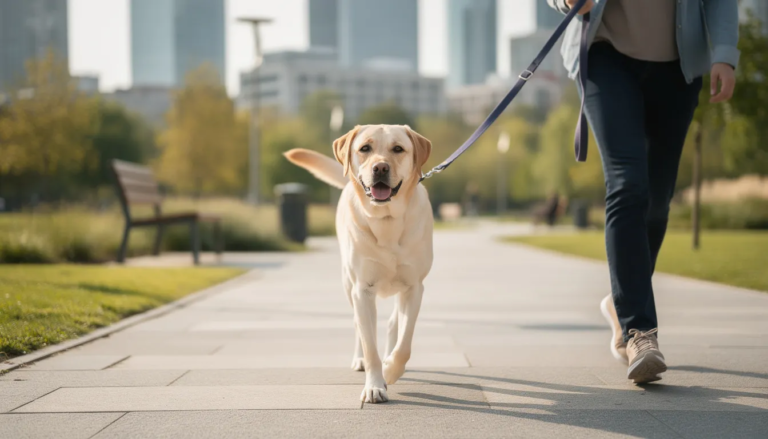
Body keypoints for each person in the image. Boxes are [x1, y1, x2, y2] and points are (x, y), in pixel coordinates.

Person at [547, 0, 739, 384]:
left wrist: (724, 53)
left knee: (656, 201)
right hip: (605, 55)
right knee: (627, 183)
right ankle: (639, 332)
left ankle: (620, 305)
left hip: (678, 66)